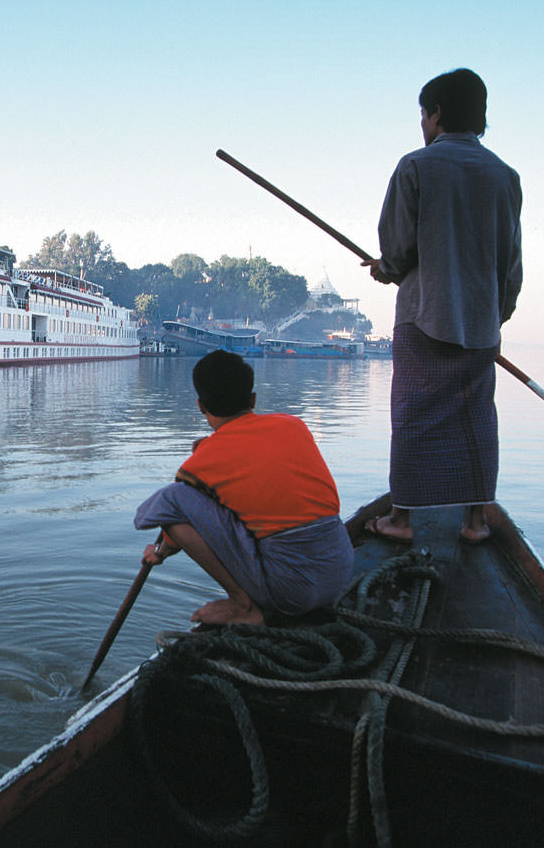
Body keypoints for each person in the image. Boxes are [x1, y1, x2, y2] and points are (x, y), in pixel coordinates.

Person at [363, 68, 522, 544]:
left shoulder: (416, 167)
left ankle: (403, 520)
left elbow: (397, 249)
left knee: (412, 415)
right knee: (477, 418)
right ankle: (475, 523)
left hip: (424, 317)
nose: (422, 124)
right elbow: (510, 262)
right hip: (479, 321)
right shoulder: (505, 176)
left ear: (436, 114)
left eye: (423, 114)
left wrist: (383, 269)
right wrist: (497, 315)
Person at [134, 349, 354, 626]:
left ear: (201, 406)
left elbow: (179, 518)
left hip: (292, 593)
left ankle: (242, 606)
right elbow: (262, 469)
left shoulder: (200, 463)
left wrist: (160, 552)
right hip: (341, 570)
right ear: (253, 399)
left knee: (173, 499)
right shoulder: (294, 425)